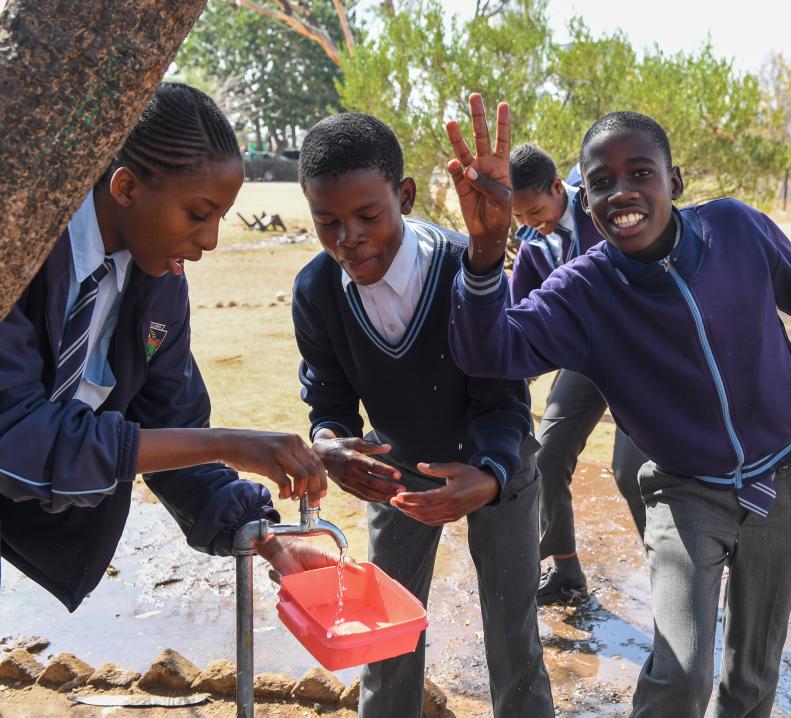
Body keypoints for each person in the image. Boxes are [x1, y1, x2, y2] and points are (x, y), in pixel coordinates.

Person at [442, 96, 791, 717]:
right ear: (584, 199)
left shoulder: (734, 229)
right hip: (683, 492)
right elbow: (491, 351)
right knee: (679, 674)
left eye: (640, 173)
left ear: (673, 181)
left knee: (752, 680)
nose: (622, 191)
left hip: (782, 476)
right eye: (601, 182)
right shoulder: (582, 291)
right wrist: (484, 252)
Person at [0, 83, 333, 612]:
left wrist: (269, 538)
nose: (212, 240)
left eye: (220, 216)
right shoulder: (22, 250)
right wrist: (225, 442)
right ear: (127, 187)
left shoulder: (159, 284)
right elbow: (15, 436)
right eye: (198, 213)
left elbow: (171, 425)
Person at [290, 112, 553, 718]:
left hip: (500, 466)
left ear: (403, 196)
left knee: (513, 633)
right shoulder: (317, 292)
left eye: (367, 216)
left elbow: (502, 397)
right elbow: (328, 398)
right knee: (387, 636)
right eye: (327, 222)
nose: (347, 238)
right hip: (398, 471)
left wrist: (489, 475)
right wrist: (332, 445)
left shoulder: (470, 266)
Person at [509, 143, 647, 606]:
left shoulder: (603, 212)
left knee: (632, 472)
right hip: (587, 362)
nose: (531, 223)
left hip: (640, 357)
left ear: (557, 188)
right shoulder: (533, 243)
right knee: (547, 456)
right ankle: (567, 571)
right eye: (520, 217)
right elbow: (518, 317)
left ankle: (677, 574)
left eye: (535, 210)